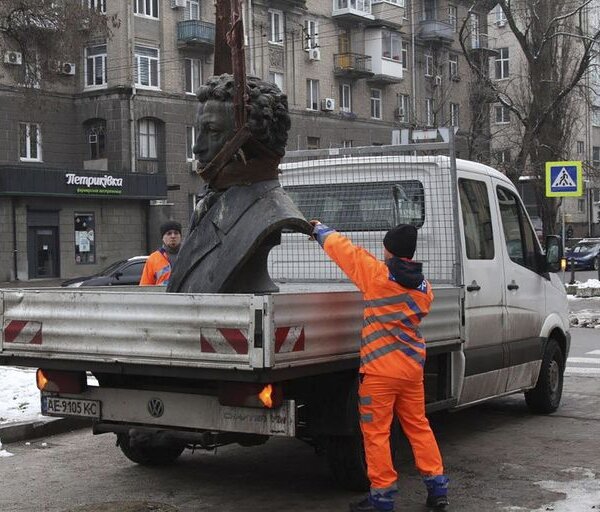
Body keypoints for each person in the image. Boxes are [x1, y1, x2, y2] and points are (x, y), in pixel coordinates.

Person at [310, 220, 449, 512]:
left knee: (377, 434)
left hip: (379, 372)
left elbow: (346, 252)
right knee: (418, 427)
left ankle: (382, 497)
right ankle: (437, 488)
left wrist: (320, 230)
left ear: (389, 250)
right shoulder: (425, 288)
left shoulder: (377, 276)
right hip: (411, 370)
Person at [139, 221, 182, 286]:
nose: (173, 236)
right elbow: (145, 287)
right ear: (162, 238)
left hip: (185, 295)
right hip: (162, 295)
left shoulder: (189, 255)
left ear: (180, 236)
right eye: (169, 233)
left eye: (176, 233)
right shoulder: (153, 259)